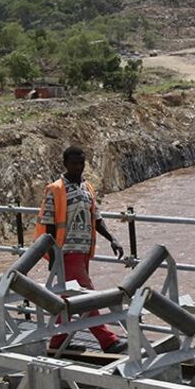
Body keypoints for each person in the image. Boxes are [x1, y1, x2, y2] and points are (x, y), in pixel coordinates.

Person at [34, 145, 128, 354]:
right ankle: (108, 340)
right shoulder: (56, 189)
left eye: (81, 163)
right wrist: (52, 255)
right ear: (65, 164)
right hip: (66, 252)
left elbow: (96, 218)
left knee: (68, 298)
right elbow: (48, 223)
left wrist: (113, 239)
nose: (78, 167)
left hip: (84, 251)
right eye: (74, 163)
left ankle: (58, 341)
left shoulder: (88, 188)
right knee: (87, 295)